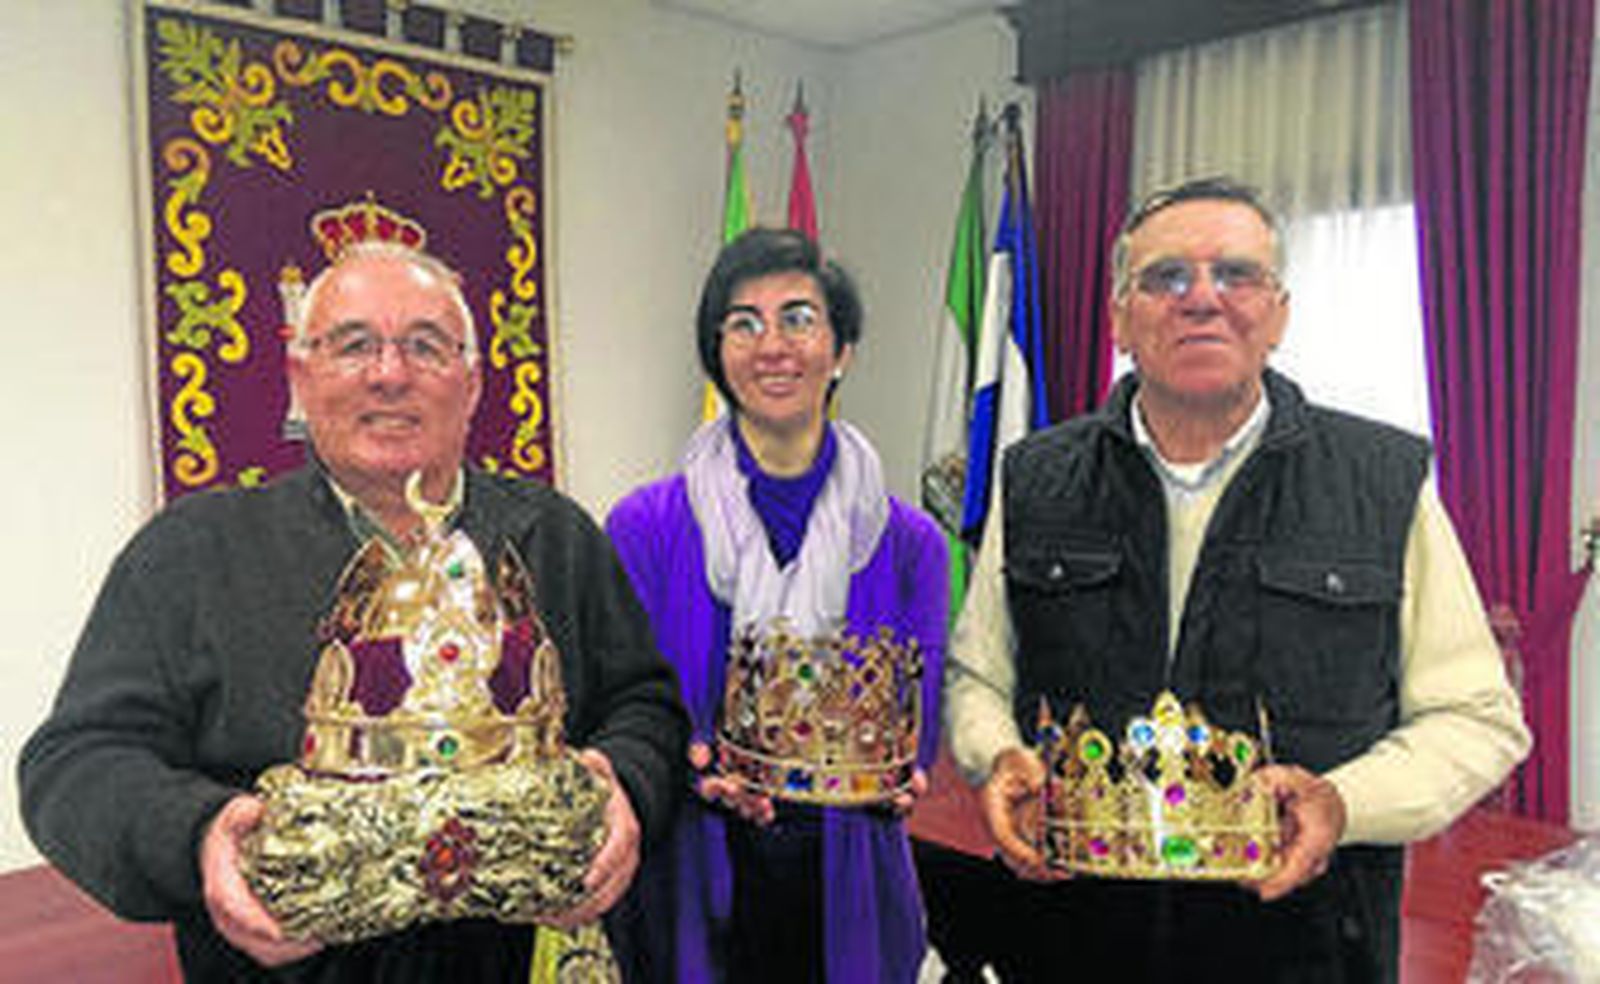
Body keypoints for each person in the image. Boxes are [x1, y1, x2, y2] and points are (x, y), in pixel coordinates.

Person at [18, 240, 688, 981]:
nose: (389, 374)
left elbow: (645, 705)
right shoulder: (190, 554)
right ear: (300, 379)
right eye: (353, 345)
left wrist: (624, 785)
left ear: (471, 386)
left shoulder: (557, 538)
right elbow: (73, 765)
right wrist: (199, 838)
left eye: (425, 346)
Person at [944, 176, 1531, 981]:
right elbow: (978, 675)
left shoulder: (1381, 482)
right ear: (1119, 316)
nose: (1202, 299)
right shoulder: (1036, 478)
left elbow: (1477, 719)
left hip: (1306, 949)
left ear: (1279, 313)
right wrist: (995, 754)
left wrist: (1344, 803)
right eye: (1165, 277)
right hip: (1071, 940)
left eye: (1237, 274)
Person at [605, 227, 948, 983]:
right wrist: (694, 769)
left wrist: (901, 774)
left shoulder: (911, 543)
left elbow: (917, 722)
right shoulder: (644, 527)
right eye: (744, 322)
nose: (772, 346)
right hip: (692, 864)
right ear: (716, 352)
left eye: (798, 317)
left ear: (843, 350)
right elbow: (623, 708)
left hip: (847, 866)